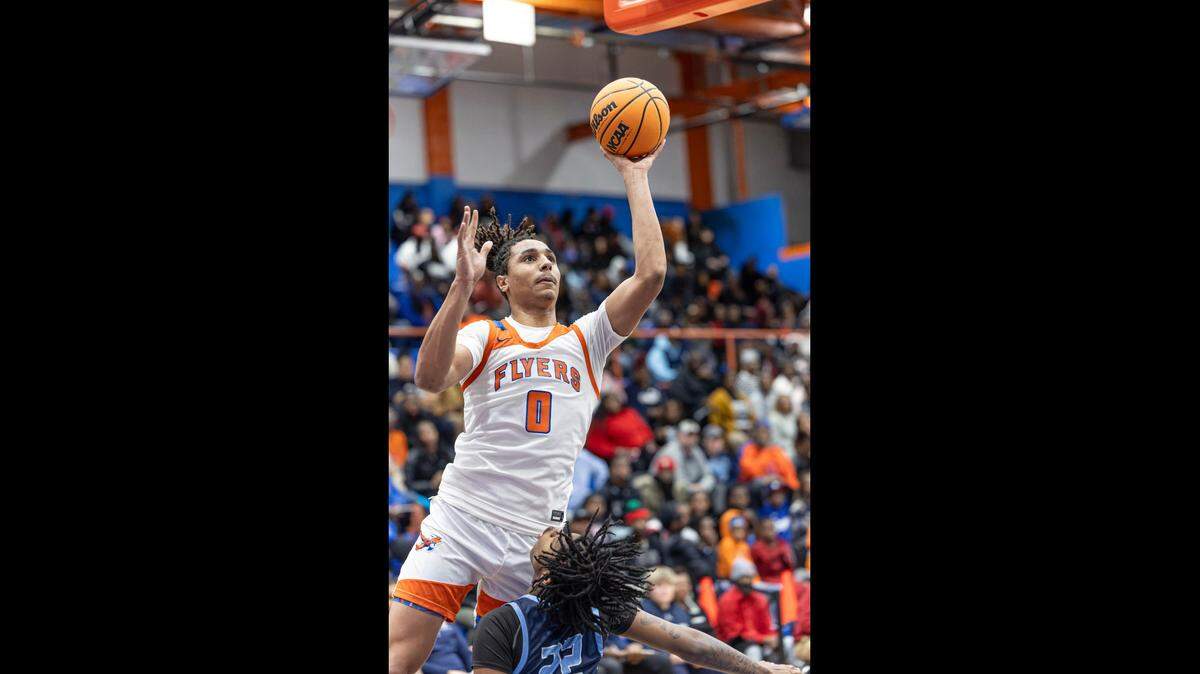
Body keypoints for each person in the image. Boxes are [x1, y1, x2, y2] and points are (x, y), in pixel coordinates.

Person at [390, 143, 671, 674]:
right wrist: (459, 286)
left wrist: (635, 174)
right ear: (502, 282)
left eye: (550, 258)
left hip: (536, 542)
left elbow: (651, 274)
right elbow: (428, 379)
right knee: (401, 655)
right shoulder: (487, 334)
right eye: (529, 258)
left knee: (510, 667)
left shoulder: (588, 338)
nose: (545, 265)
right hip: (465, 516)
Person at [469, 518, 802, 674]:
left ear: (549, 569)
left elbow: (690, 645)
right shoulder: (598, 608)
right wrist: (758, 669)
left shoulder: (502, 624)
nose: (551, 530)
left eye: (558, 536)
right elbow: (690, 644)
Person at [716, 559, 778, 663]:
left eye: (750, 577)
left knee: (785, 643)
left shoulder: (759, 598)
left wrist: (772, 637)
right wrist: (763, 639)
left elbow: (766, 624)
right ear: (736, 580)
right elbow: (734, 632)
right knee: (754, 651)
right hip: (735, 643)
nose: (748, 581)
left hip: (759, 640)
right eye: (744, 578)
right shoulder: (727, 600)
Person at [655, 420, 715, 503]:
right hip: (668, 490)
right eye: (689, 435)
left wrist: (702, 486)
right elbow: (678, 479)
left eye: (695, 435)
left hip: (695, 487)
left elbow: (708, 474)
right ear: (679, 435)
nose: (693, 438)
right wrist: (695, 488)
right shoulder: (671, 451)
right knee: (681, 488)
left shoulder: (696, 450)